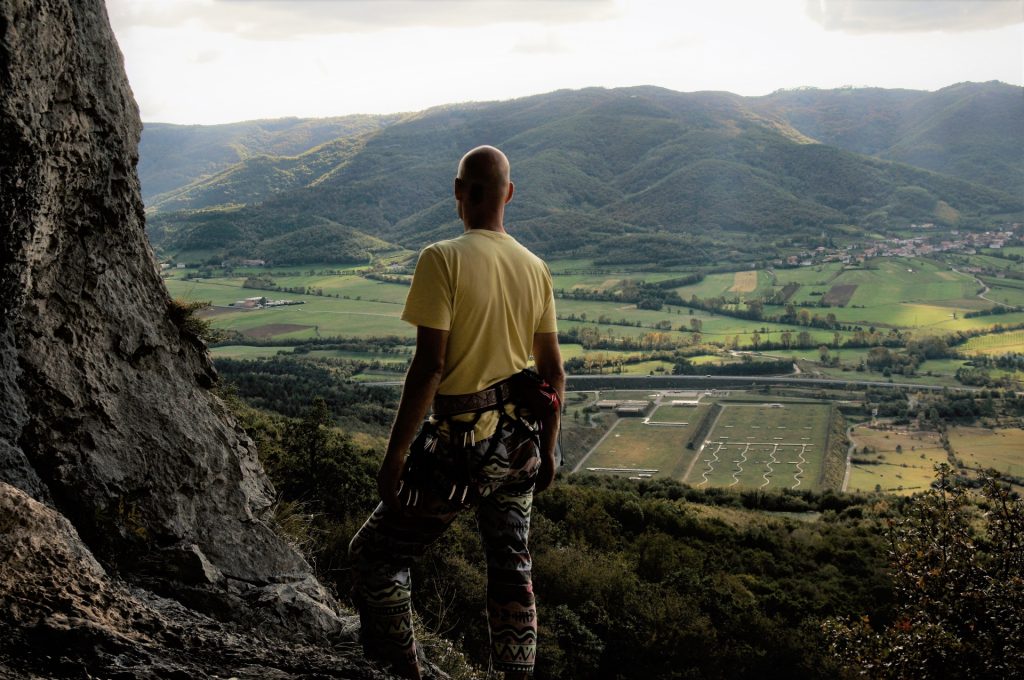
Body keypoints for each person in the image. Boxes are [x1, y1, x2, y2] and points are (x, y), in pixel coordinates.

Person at [348, 145, 564, 679]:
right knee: (512, 567)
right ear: (509, 194)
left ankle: (400, 670)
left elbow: (429, 367)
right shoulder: (535, 268)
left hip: (461, 449)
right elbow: (554, 373)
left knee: (377, 557)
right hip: (521, 446)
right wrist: (552, 449)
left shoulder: (441, 258)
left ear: (458, 192)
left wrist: (395, 456)